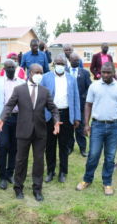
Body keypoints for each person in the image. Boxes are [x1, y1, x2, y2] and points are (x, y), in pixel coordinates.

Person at [0, 63, 61, 202]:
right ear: (29, 73)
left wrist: (56, 120)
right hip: (23, 130)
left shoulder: (44, 91)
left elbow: (53, 108)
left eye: (41, 72)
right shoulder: (19, 90)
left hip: (40, 132)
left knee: (38, 161)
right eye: (36, 72)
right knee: (21, 160)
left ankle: (37, 190)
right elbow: (9, 105)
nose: (39, 75)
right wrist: (2, 119)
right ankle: (18, 188)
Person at [75, 62, 117, 196]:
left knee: (110, 157)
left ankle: (107, 182)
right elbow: (88, 105)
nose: (105, 75)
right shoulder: (94, 86)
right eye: (103, 72)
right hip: (97, 125)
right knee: (93, 155)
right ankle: (87, 179)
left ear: (114, 73)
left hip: (114, 126)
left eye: (108, 72)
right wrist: (86, 124)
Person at [0, 60, 25, 190]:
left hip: (17, 118)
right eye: (8, 67)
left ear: (16, 68)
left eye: (12, 67)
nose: (10, 69)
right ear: (4, 68)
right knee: (3, 145)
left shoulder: (21, 82)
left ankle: (9, 173)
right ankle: (2, 176)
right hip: (1, 120)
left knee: (14, 146)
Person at [40, 54, 81, 183]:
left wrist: (77, 118)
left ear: (66, 64)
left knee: (64, 145)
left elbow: (76, 98)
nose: (60, 66)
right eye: (58, 63)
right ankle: (50, 171)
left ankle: (63, 171)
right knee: (50, 144)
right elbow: (40, 97)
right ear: (53, 64)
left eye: (63, 64)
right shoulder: (46, 77)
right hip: (50, 115)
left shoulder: (71, 79)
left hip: (66, 115)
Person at [65, 53, 92, 157]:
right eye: (74, 60)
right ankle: (70, 147)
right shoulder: (65, 72)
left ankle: (83, 148)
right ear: (70, 61)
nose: (76, 62)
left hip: (81, 105)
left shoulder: (85, 72)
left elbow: (89, 87)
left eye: (78, 60)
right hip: (68, 104)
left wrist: (83, 97)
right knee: (69, 127)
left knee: (80, 127)